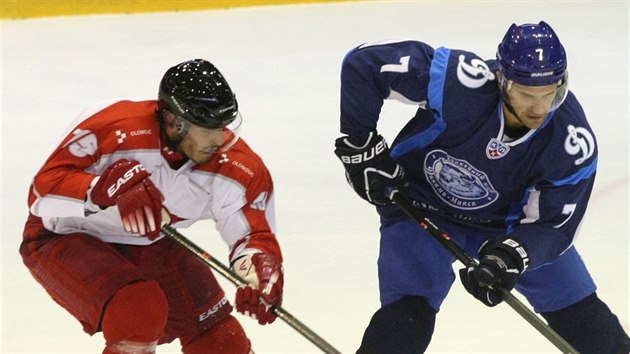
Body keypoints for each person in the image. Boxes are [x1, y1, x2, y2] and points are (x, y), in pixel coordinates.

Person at [334, 21, 630, 354]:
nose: (540, 108)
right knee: (407, 315)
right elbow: (366, 63)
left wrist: (512, 255)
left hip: (509, 227)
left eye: (550, 93)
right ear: (502, 80)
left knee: (584, 319)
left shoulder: (571, 140)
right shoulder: (461, 83)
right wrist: (359, 144)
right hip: (421, 206)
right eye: (527, 95)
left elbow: (555, 228)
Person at [20, 59, 284, 354]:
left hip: (153, 242)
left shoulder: (239, 168)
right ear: (172, 120)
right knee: (139, 309)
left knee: (222, 340)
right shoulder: (113, 127)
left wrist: (254, 271)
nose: (217, 139)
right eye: (205, 128)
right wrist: (99, 191)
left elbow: (253, 236)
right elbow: (40, 195)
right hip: (64, 237)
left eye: (222, 126)